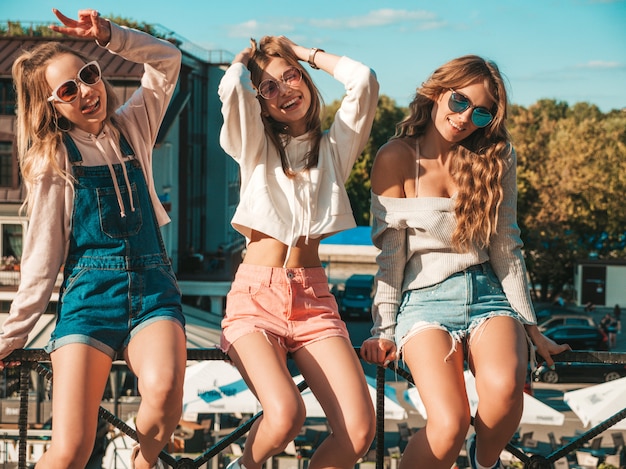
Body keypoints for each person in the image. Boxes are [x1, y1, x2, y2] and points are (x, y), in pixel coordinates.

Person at [360, 55, 570, 469]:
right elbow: (390, 258)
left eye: (481, 112)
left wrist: (532, 327)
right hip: (423, 304)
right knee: (449, 422)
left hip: (489, 295)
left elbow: (507, 247)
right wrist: (382, 329)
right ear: (437, 92)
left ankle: (484, 462)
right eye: (459, 102)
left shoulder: (496, 157)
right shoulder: (395, 157)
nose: (465, 118)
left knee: (507, 391)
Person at [0, 8, 186, 469]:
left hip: (153, 293)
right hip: (88, 298)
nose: (86, 91)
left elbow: (167, 61)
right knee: (71, 450)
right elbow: (42, 258)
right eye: (68, 90)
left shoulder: (133, 126)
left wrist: (110, 35)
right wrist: (15, 331)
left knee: (163, 396)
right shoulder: (53, 162)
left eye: (88, 75)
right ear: (51, 106)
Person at [218, 36, 379, 469]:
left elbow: (362, 80)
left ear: (306, 79)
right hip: (256, 299)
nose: (284, 90)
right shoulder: (254, 147)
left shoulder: (334, 149)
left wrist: (304, 52)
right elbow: (233, 92)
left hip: (314, 300)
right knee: (286, 415)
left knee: (360, 431)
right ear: (262, 104)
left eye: (290, 77)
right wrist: (242, 59)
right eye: (268, 87)